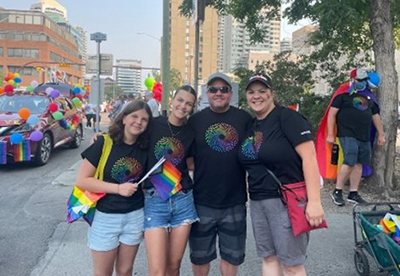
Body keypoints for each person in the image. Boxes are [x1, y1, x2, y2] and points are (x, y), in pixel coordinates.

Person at [238, 74, 325, 276]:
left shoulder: (288, 118)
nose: (256, 96)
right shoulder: (251, 126)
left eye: (262, 91)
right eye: (251, 92)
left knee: (292, 265)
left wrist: (315, 202)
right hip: (258, 201)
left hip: (286, 201)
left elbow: (310, 158)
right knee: (269, 258)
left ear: (272, 94)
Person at [76, 100, 153, 276]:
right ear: (124, 118)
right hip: (105, 217)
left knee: (125, 271)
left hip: (134, 216)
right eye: (134, 116)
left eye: (144, 119)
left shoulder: (145, 147)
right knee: (103, 272)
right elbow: (82, 180)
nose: (138, 122)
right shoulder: (103, 143)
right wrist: (118, 189)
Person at [187, 72, 252, 276]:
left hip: (234, 201)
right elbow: (185, 154)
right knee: (200, 257)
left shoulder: (244, 119)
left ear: (231, 93)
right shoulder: (195, 121)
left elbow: (259, 148)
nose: (218, 93)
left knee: (231, 257)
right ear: (207, 93)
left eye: (223, 89)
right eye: (213, 89)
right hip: (201, 200)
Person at [143, 85, 198, 276]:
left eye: (188, 104)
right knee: (157, 270)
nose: (183, 106)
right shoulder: (153, 124)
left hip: (182, 199)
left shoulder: (191, 132)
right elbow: (129, 138)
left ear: (192, 108)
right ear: (172, 100)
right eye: (180, 100)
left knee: (174, 266)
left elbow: (190, 162)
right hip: (154, 199)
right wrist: (103, 139)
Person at [327, 68, 385, 206]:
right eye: (360, 80)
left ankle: (353, 193)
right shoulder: (342, 97)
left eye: (364, 80)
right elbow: (332, 114)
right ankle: (337, 191)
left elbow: (375, 116)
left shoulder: (368, 98)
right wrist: (330, 134)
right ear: (353, 80)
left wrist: (381, 134)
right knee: (349, 161)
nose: (362, 83)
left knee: (359, 163)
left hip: (363, 135)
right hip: (347, 133)